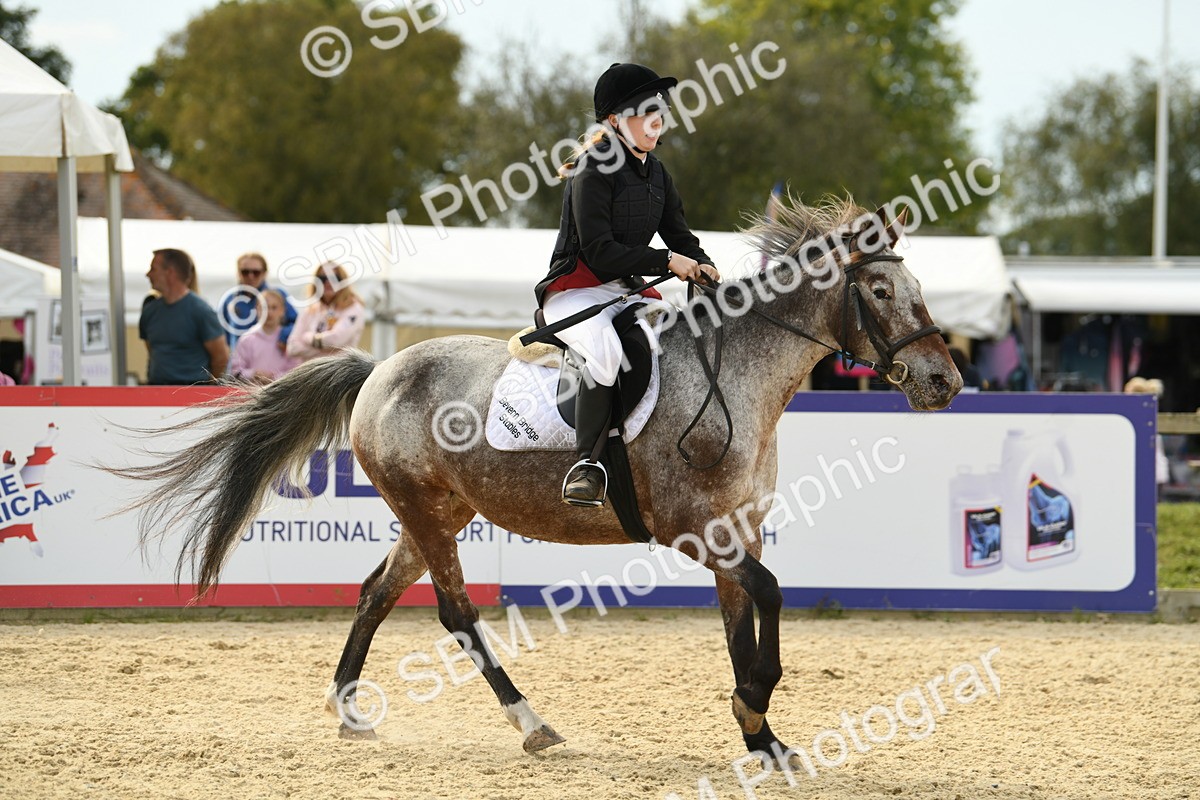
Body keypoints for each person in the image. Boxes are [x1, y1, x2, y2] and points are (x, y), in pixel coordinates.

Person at [535, 62, 719, 507]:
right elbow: (600, 252)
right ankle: (588, 465)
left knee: (667, 343)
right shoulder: (591, 169)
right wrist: (668, 261)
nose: (658, 119)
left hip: (624, 291)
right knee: (606, 353)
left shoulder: (657, 174)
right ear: (615, 120)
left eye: (661, 109)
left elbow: (682, 239)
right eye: (646, 110)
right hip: (575, 290)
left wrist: (707, 267)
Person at [139, 248, 228, 385]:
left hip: (191, 395)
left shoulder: (201, 311)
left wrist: (205, 389)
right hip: (156, 394)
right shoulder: (149, 311)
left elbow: (221, 357)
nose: (148, 274)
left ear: (169, 272)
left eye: (153, 269)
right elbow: (152, 352)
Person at [287, 262, 366, 363]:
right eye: (323, 279)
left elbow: (335, 340)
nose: (328, 282)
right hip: (310, 373)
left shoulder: (353, 309)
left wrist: (308, 337)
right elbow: (292, 347)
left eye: (335, 278)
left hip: (340, 373)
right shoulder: (311, 309)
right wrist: (325, 349)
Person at [219, 253, 298, 351]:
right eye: (245, 272)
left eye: (256, 272)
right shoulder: (229, 300)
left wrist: (284, 336)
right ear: (238, 273)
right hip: (240, 360)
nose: (250, 276)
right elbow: (220, 335)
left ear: (264, 273)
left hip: (271, 358)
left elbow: (297, 323)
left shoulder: (277, 295)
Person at [228, 290, 301, 383]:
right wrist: (253, 374)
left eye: (274, 307)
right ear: (257, 309)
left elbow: (296, 371)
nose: (269, 312)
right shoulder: (246, 339)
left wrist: (274, 377)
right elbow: (235, 372)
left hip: (282, 394)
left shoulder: (290, 339)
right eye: (264, 307)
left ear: (282, 311)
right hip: (251, 393)